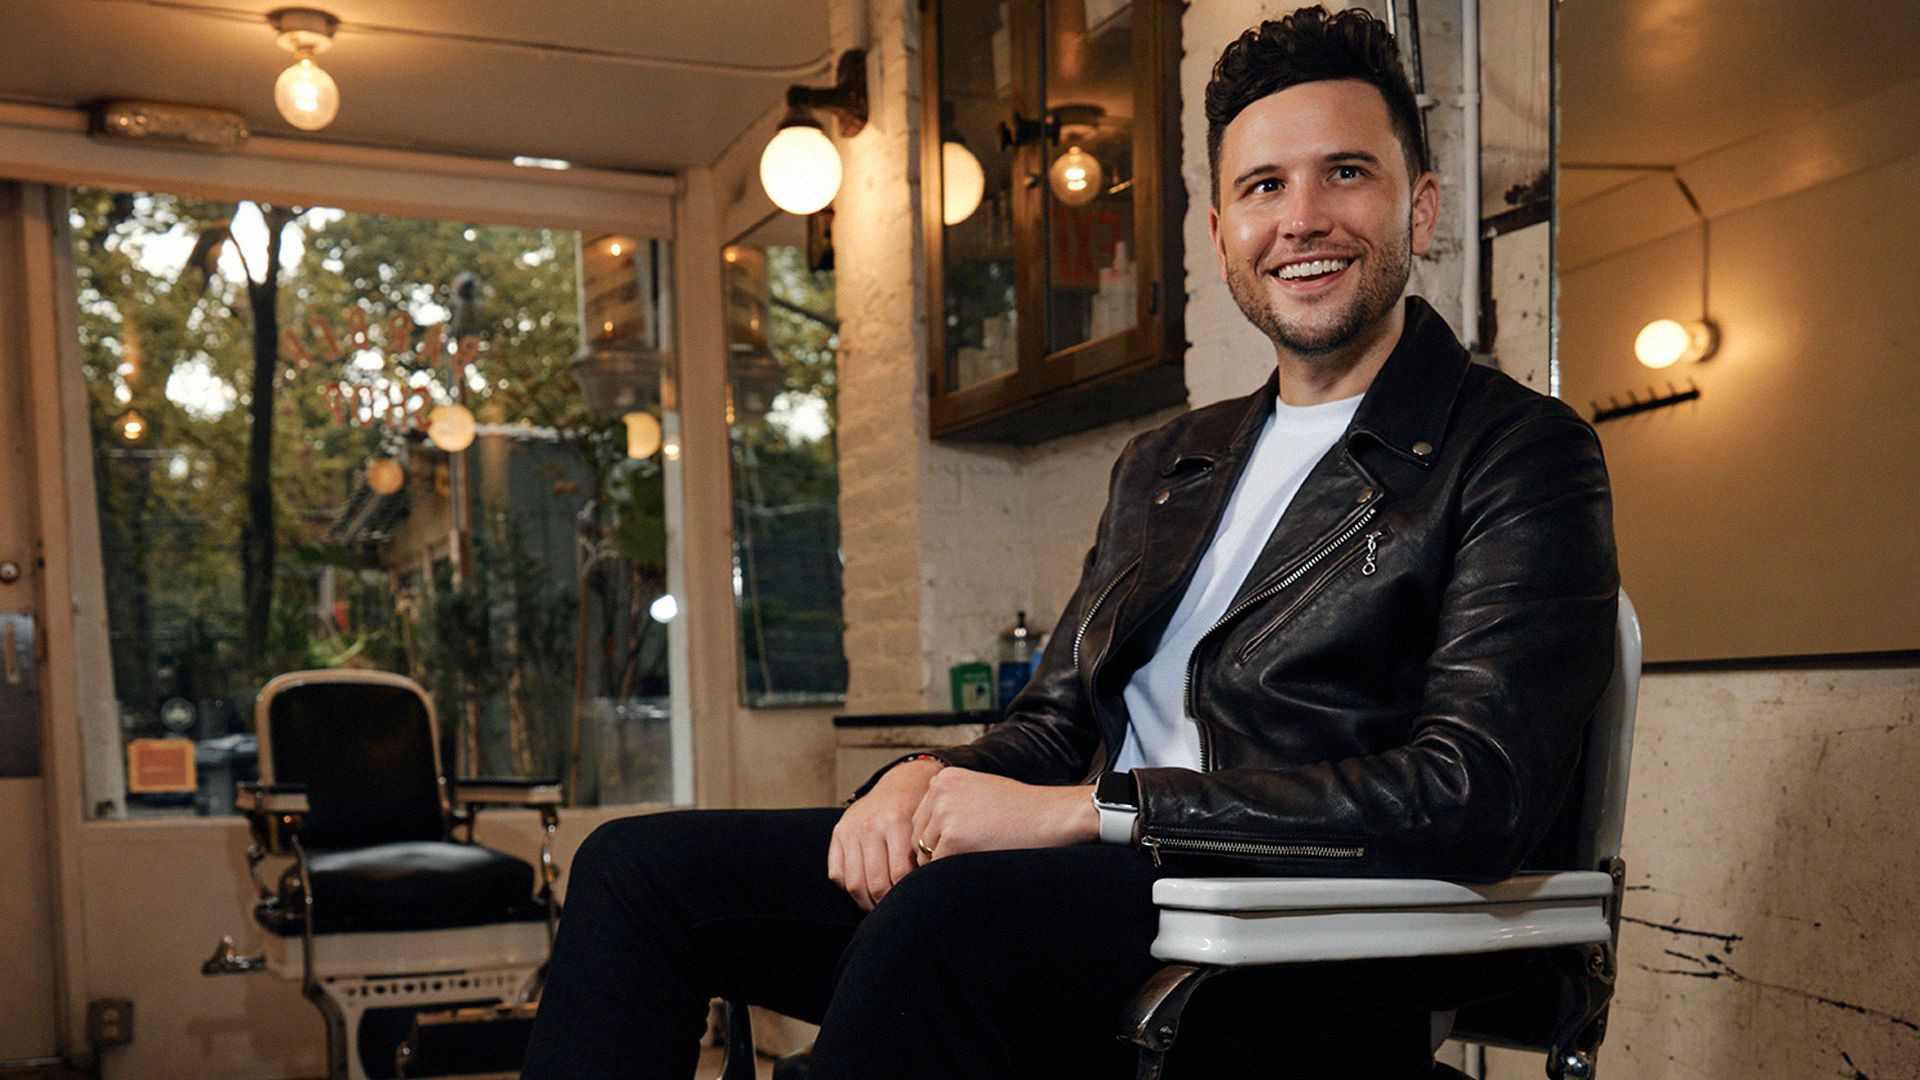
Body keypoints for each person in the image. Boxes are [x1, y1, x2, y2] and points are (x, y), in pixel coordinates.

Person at [521, 7, 1617, 1078]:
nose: (1302, 219)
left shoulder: (1517, 452)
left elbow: (1468, 793)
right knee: (634, 870)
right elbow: (1050, 727)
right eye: (1263, 187)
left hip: (1286, 934)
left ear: (1420, 209)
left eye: (1347, 173)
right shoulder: (1172, 462)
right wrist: (922, 780)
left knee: (949, 915)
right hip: (1099, 906)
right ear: (1221, 234)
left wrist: (1094, 814)